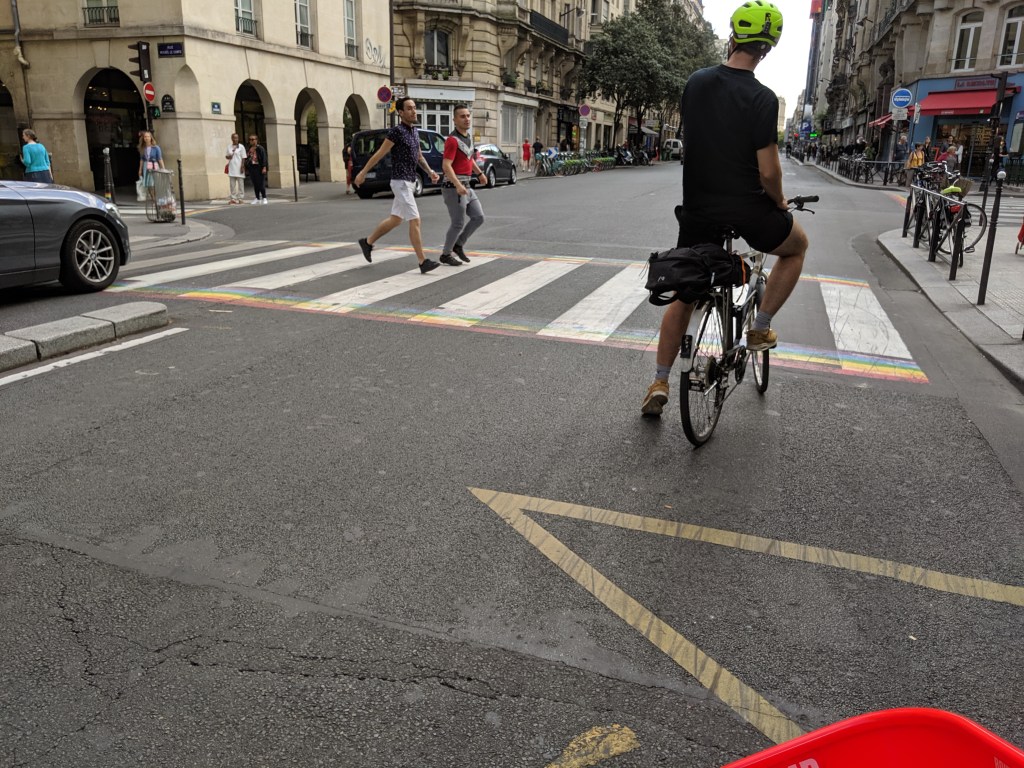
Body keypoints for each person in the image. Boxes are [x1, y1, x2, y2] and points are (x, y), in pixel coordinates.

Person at [641, 0, 808, 418]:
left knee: (686, 292)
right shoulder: (762, 98)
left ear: (733, 37)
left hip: (698, 210)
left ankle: (659, 381)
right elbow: (769, 171)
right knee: (797, 247)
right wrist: (778, 200)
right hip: (749, 209)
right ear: (767, 48)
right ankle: (759, 328)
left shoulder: (696, 82)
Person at [354, 97, 442, 274]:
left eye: (414, 107)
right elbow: (380, 153)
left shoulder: (414, 131)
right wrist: (363, 172)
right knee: (415, 220)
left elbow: (419, 156)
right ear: (400, 112)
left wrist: (430, 171)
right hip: (400, 181)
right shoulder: (397, 132)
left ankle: (367, 242)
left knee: (396, 219)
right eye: (409, 108)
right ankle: (422, 261)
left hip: (410, 181)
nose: (414, 111)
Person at [438, 104, 489, 268]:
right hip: (453, 187)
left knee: (479, 217)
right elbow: (446, 165)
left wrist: (480, 174)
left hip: (467, 185)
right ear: (454, 120)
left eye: (468, 115)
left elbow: (469, 158)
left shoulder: (467, 138)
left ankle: (458, 244)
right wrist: (457, 184)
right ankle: (445, 254)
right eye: (462, 116)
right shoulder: (452, 141)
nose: (466, 119)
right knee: (458, 223)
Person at [245, 134, 268, 205]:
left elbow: (264, 158)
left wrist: (264, 167)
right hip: (252, 167)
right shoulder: (249, 148)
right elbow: (247, 158)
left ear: (256, 140)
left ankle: (264, 197)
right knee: (255, 183)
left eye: (253, 139)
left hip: (259, 167)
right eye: (250, 139)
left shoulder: (260, 148)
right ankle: (257, 198)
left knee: (261, 183)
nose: (251, 141)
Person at [224, 132, 247, 204]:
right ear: (231, 139)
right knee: (232, 185)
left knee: (241, 184)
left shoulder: (241, 147)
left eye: (236, 138)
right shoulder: (229, 147)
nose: (235, 139)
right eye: (234, 138)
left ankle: (240, 198)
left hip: (239, 167)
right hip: (232, 168)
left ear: (238, 138)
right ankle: (233, 198)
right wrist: (228, 156)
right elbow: (226, 156)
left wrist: (242, 166)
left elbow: (243, 157)